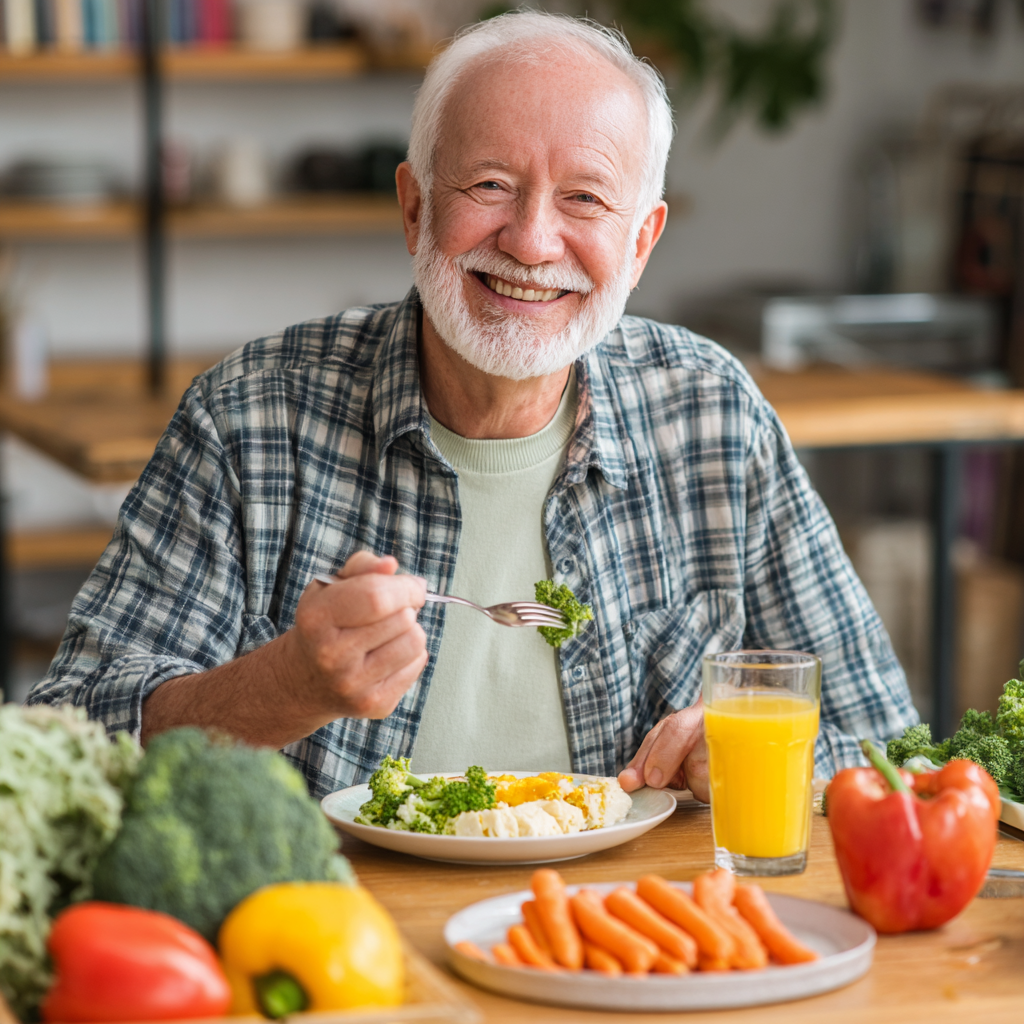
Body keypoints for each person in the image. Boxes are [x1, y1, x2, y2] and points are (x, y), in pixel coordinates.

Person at [27, 11, 917, 800]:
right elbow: (66, 735)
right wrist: (284, 687)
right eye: (489, 185)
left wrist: (764, 762)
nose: (532, 241)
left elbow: (890, 748)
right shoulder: (250, 418)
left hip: (634, 940)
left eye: (585, 199)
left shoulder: (713, 416)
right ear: (414, 208)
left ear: (641, 242)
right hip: (340, 947)